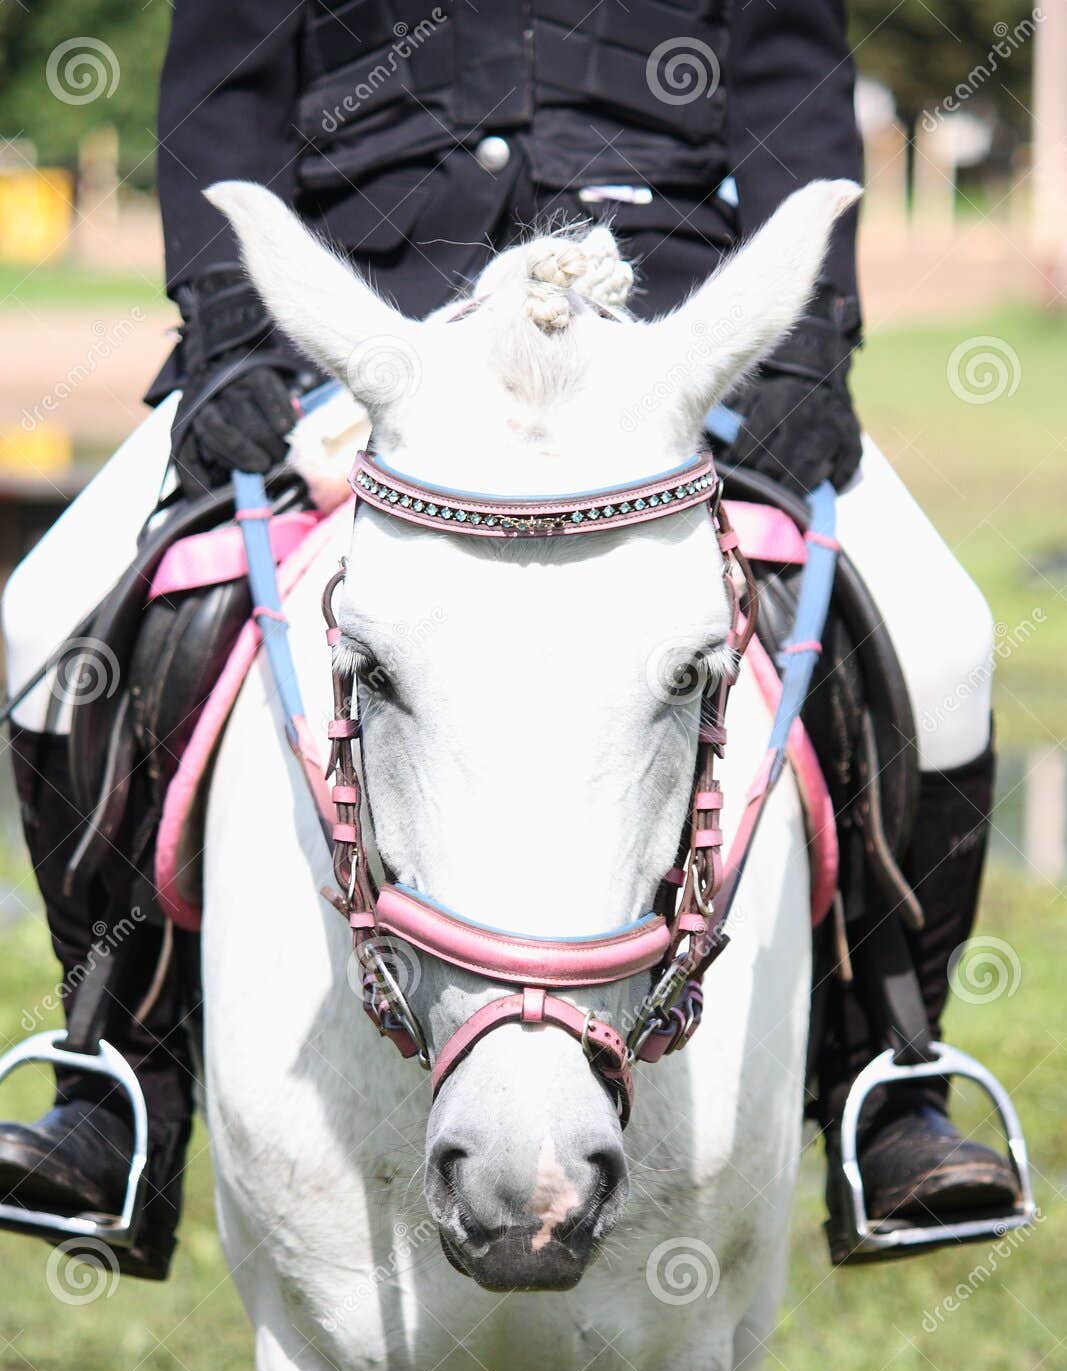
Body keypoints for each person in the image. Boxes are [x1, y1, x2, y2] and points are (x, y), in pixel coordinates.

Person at [0, 1, 1021, 1276]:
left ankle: (890, 1077)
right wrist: (223, 337)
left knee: (942, 639)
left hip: (668, 341)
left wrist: (806, 355)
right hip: (361, 333)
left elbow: (791, 95)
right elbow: (228, 100)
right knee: (44, 621)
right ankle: (117, 1078)